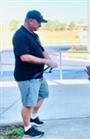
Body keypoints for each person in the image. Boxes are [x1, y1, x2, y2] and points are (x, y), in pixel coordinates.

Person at [12, 10, 58, 138]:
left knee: (44, 94)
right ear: (30, 21)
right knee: (28, 103)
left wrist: (49, 61)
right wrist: (46, 61)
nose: (40, 26)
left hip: (38, 75)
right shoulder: (20, 36)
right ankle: (27, 129)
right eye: (39, 23)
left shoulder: (34, 35)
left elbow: (42, 50)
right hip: (27, 77)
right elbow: (24, 57)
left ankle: (33, 117)